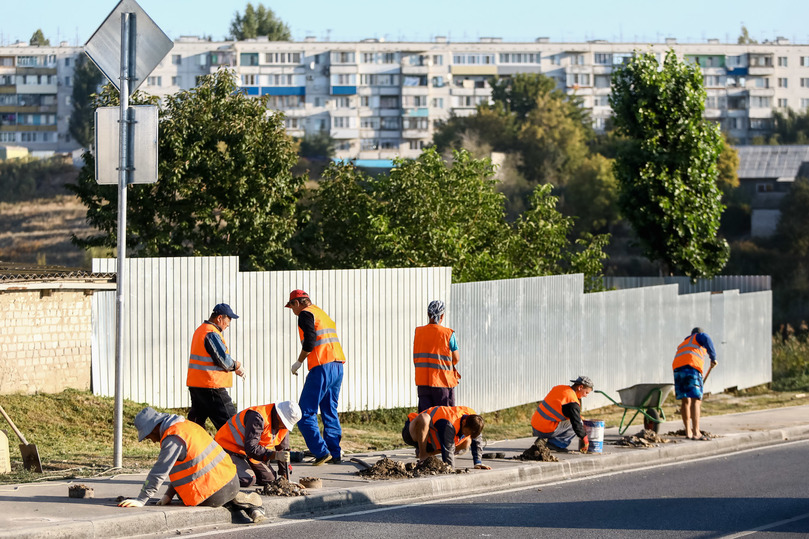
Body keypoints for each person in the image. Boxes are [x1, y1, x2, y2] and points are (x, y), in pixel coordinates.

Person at [118, 407, 266, 523]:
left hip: (213, 490)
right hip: (231, 479)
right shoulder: (185, 427)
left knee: (189, 497)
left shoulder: (172, 438)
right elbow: (189, 469)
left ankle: (237, 502)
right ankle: (251, 508)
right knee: (204, 495)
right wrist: (168, 495)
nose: (152, 441)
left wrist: (141, 499)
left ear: (154, 427)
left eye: (149, 436)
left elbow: (160, 470)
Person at [286, 289, 346, 465]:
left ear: (297, 303)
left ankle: (321, 452)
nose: (292, 311)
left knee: (304, 412)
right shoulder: (320, 312)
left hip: (322, 366)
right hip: (337, 364)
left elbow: (310, 341)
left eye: (292, 306)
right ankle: (335, 452)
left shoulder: (305, 314)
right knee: (329, 410)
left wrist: (298, 362)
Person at [186, 303, 244, 432]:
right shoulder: (211, 333)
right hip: (211, 386)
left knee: (196, 425)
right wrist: (237, 365)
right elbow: (224, 361)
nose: (228, 324)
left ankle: (195, 449)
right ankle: (237, 452)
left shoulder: (201, 330)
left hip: (197, 386)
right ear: (219, 318)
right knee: (232, 425)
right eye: (228, 320)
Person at [215, 401, 302, 487]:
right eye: (284, 423)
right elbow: (251, 448)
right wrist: (275, 455)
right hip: (229, 448)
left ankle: (243, 467)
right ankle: (216, 473)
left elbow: (283, 450)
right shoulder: (257, 417)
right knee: (247, 479)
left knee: (269, 479)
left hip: (249, 453)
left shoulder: (283, 426)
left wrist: (286, 476)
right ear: (279, 416)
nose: (284, 427)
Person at [402, 405, 491, 470]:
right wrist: (450, 469)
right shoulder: (449, 423)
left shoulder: (474, 421)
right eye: (465, 432)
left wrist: (478, 462)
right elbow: (448, 448)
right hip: (412, 432)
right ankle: (422, 456)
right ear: (464, 422)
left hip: (430, 442)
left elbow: (477, 440)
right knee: (424, 418)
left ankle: (428, 454)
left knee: (467, 441)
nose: (466, 434)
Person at [413, 300, 461, 412]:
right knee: (444, 418)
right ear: (442, 315)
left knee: (425, 417)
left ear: (428, 314)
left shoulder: (419, 332)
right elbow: (456, 358)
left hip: (423, 383)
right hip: (442, 383)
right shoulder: (447, 334)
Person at [673, 327, 718, 440]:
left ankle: (688, 431)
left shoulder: (684, 343)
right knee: (696, 400)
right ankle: (696, 432)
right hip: (691, 367)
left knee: (686, 400)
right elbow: (706, 337)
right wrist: (713, 358)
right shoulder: (698, 337)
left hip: (678, 369)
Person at [531, 376, 593, 452]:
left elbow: (559, 409)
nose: (586, 396)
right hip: (545, 429)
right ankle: (556, 444)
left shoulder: (559, 388)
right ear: (580, 387)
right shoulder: (572, 401)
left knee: (576, 419)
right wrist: (585, 438)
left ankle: (543, 439)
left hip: (535, 425)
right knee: (578, 422)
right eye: (586, 392)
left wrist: (576, 415)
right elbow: (576, 424)